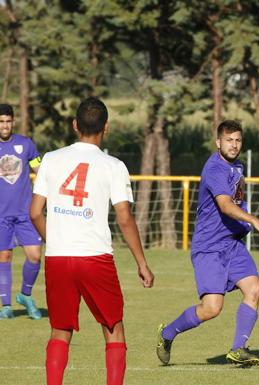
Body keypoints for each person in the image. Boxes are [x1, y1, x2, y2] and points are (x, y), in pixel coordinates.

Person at [30, 98, 155, 385]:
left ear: (75, 125)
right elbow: (124, 218)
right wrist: (142, 263)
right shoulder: (113, 165)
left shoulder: (50, 159)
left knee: (60, 330)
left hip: (59, 258)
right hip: (95, 258)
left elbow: (35, 212)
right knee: (113, 328)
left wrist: (57, 241)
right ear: (106, 128)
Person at [156, 120, 259, 367]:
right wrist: (254, 220)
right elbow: (225, 205)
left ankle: (239, 348)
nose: (234, 145)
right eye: (229, 140)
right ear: (218, 142)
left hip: (232, 245)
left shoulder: (238, 167)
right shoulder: (215, 169)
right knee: (211, 308)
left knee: (254, 289)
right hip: (209, 248)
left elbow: (237, 202)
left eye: (238, 140)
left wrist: (244, 226)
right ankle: (168, 333)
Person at [0, 103, 43, 320]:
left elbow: (39, 170)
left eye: (8, 121)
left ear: (13, 122)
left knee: (35, 256)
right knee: (4, 256)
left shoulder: (26, 144)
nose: (5, 125)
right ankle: (6, 305)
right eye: (1, 122)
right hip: (1, 215)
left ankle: (25, 295)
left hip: (25, 213)